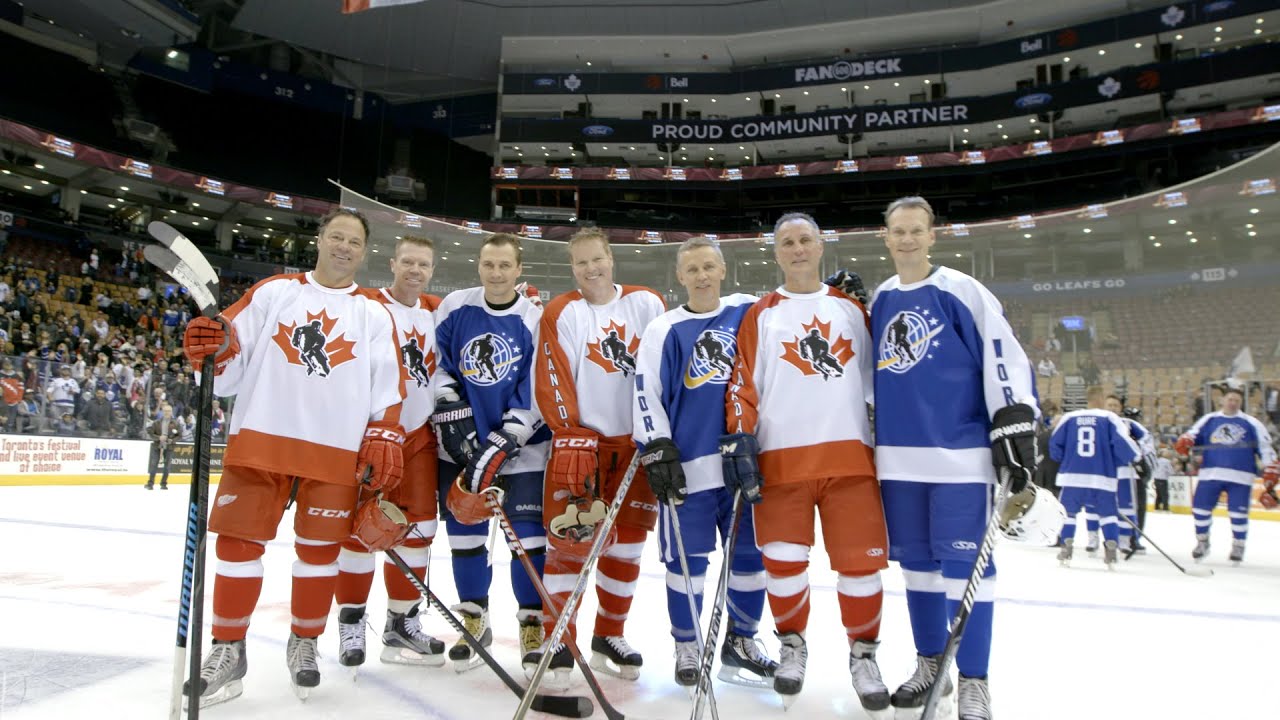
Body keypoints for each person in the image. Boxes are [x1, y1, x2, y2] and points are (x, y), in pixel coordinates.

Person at [181, 207, 406, 707]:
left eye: (354, 241)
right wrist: (211, 349)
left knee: (319, 554)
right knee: (238, 548)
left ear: (364, 252)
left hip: (336, 450)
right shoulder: (275, 292)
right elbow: (227, 350)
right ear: (320, 239)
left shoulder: (373, 313)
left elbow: (390, 385)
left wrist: (385, 432)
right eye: (337, 236)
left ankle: (304, 642)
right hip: (262, 438)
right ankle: (228, 649)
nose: (344, 247)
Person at [867, 196, 1039, 720]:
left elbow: (1002, 352)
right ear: (886, 236)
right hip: (898, 460)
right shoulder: (881, 299)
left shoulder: (961, 290)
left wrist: (1013, 415)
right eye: (898, 231)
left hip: (961, 456)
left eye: (917, 230)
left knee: (966, 573)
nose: (907, 239)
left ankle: (974, 680)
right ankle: (928, 665)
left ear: (932, 235)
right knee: (917, 570)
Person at [724, 212, 889, 712]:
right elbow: (742, 385)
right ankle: (792, 645)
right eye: (787, 242)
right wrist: (739, 438)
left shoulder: (849, 311)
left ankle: (864, 655)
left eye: (805, 241)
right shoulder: (762, 313)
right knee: (785, 566)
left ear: (821, 247)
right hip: (780, 462)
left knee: (860, 571)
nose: (797, 249)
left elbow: (880, 380)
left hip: (849, 460)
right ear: (776, 252)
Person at [633, 236, 777, 691]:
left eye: (708, 267)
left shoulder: (747, 310)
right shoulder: (665, 329)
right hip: (689, 469)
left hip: (744, 468)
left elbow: (794, 312)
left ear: (722, 270)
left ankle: (741, 642)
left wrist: (833, 291)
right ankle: (688, 643)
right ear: (680, 277)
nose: (701, 276)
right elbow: (645, 391)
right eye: (692, 269)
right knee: (686, 565)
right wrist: (656, 445)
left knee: (750, 562)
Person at [526, 228, 666, 685]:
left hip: (635, 446)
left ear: (612, 259)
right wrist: (569, 434)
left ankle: (610, 634)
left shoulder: (646, 303)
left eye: (597, 259)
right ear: (573, 268)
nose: (592, 269)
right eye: (582, 262)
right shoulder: (563, 310)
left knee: (627, 546)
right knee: (570, 544)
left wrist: (659, 433)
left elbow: (661, 369)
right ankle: (557, 638)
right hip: (581, 446)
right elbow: (552, 373)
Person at [431, 233, 550, 671]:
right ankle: (474, 618)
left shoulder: (535, 318)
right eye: (488, 265)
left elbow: (539, 383)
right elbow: (436, 364)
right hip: (461, 450)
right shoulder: (456, 306)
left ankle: (530, 622)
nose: (496, 273)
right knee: (465, 538)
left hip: (522, 453)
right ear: (478, 266)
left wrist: (509, 435)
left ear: (519, 270)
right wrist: (448, 403)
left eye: (504, 266)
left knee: (528, 541)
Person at [335, 235, 448, 670]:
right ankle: (351, 622)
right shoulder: (364, 303)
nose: (415, 271)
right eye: (408, 262)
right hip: (368, 436)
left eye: (423, 264)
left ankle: (402, 623)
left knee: (418, 533)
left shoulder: (437, 310)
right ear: (392, 262)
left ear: (431, 269)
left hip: (419, 437)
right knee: (363, 532)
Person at [1042, 385, 1139, 569]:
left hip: (1072, 477)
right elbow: (1124, 445)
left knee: (1068, 514)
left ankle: (1066, 546)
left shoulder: (1070, 418)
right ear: (1102, 399)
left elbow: (1055, 444)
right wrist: (1123, 461)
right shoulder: (1110, 418)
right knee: (1108, 515)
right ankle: (1111, 547)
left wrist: (1068, 461)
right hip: (1102, 477)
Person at [1176, 387, 1276, 563]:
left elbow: (1265, 448)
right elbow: (1192, 435)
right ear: (1222, 400)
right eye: (1230, 399)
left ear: (1241, 403)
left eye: (1237, 400)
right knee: (1200, 509)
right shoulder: (1209, 419)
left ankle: (1238, 545)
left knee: (1238, 513)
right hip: (1210, 473)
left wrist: (1270, 470)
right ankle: (1202, 541)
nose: (1233, 403)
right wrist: (1186, 440)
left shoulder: (1252, 423)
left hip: (1241, 476)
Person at [1105, 396, 1156, 554]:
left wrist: (1140, 457)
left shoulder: (1129, 425)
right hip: (1106, 472)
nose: (1112, 408)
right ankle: (1110, 537)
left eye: (1115, 405)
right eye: (1109, 405)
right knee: (1106, 506)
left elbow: (1147, 442)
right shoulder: (1101, 423)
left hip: (1130, 472)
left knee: (1133, 506)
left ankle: (1133, 538)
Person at [145, 404, 181, 489]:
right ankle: (150, 483)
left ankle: (163, 483)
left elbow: (179, 435)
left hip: (169, 447)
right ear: (162, 411)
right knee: (153, 464)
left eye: (168, 411)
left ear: (171, 412)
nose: (167, 412)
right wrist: (159, 437)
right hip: (156, 445)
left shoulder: (176, 423)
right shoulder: (156, 422)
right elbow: (150, 433)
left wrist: (172, 440)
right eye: (165, 411)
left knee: (167, 466)